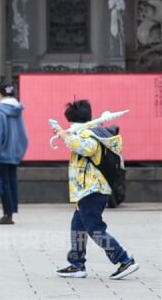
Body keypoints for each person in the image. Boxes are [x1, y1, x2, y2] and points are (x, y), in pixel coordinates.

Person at [53, 100, 139, 280]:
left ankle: (123, 260)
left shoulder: (89, 133)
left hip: (93, 189)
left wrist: (65, 136)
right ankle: (77, 264)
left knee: (94, 228)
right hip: (86, 190)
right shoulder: (87, 131)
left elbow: (87, 148)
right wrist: (67, 134)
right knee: (78, 226)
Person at [0, 82, 28, 225]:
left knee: (4, 184)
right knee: (11, 183)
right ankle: (10, 213)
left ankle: (7, 215)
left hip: (1, 154)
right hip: (14, 154)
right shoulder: (18, 110)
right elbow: (24, 136)